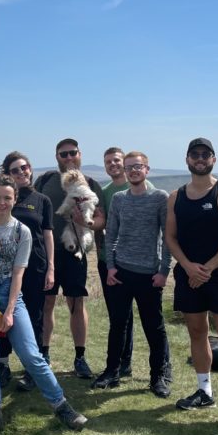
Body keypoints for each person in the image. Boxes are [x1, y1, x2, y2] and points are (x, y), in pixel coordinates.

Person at [0, 175, 87, 435]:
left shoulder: (20, 231)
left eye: (7, 198)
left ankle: (62, 407)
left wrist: (10, 311)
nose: (2, 202)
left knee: (32, 356)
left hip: (11, 294)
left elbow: (18, 273)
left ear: (15, 199)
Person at [166, 138, 218, 434]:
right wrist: (189, 267)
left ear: (214, 158)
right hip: (188, 275)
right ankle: (204, 392)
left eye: (205, 154)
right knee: (197, 332)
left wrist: (209, 267)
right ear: (187, 159)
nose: (199, 159)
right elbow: (170, 237)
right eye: (194, 154)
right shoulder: (176, 197)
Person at [95, 151, 174, 397]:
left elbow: (168, 237)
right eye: (129, 168)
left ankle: (157, 376)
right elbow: (111, 234)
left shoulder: (160, 197)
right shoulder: (119, 199)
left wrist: (163, 271)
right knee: (118, 324)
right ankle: (112, 371)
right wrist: (111, 267)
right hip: (121, 272)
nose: (133, 171)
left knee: (154, 327)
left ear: (147, 169)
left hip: (149, 274)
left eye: (138, 167)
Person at [34, 138, 105, 380]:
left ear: (80, 154)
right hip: (46, 253)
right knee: (47, 303)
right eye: (63, 154)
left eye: (72, 153)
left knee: (76, 304)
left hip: (75, 252)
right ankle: (44, 354)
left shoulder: (92, 183)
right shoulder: (45, 181)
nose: (68, 158)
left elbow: (100, 220)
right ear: (57, 158)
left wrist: (85, 222)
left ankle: (80, 357)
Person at [0, 150, 55, 392]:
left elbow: (48, 234)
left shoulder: (42, 200)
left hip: (35, 266)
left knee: (35, 316)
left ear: (30, 169)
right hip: (5, 268)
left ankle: (35, 366)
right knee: (3, 314)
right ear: (7, 174)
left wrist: (51, 267)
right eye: (15, 170)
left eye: (24, 167)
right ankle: (2, 364)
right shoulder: (3, 197)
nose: (22, 172)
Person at [97, 146, 155, 378]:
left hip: (138, 263)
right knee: (118, 317)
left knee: (149, 320)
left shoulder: (147, 189)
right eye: (108, 162)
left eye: (116, 161)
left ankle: (137, 365)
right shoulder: (106, 192)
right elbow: (102, 226)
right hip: (108, 261)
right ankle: (121, 364)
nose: (113, 165)